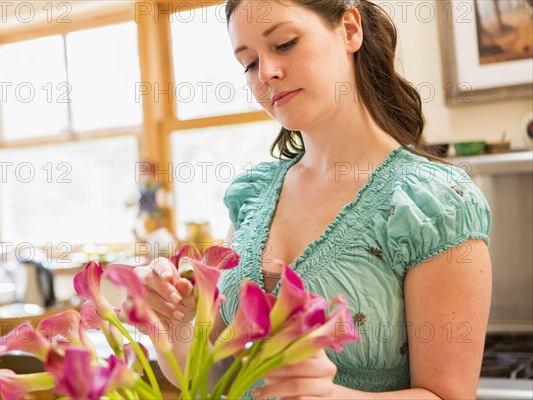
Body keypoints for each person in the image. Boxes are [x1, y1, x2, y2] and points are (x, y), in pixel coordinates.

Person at [134, 0, 493, 399]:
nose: (266, 72)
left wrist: (330, 395)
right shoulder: (254, 196)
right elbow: (208, 376)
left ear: (350, 30)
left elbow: (448, 395)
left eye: (285, 43)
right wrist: (175, 325)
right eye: (249, 63)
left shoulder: (433, 203)